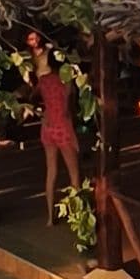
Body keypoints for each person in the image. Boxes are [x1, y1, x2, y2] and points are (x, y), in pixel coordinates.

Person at [26, 32, 83, 225]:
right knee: (74, 175)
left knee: (51, 173)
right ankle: (77, 217)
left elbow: (33, 96)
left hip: (48, 127)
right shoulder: (67, 82)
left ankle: (50, 217)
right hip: (63, 127)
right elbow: (69, 108)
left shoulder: (44, 81)